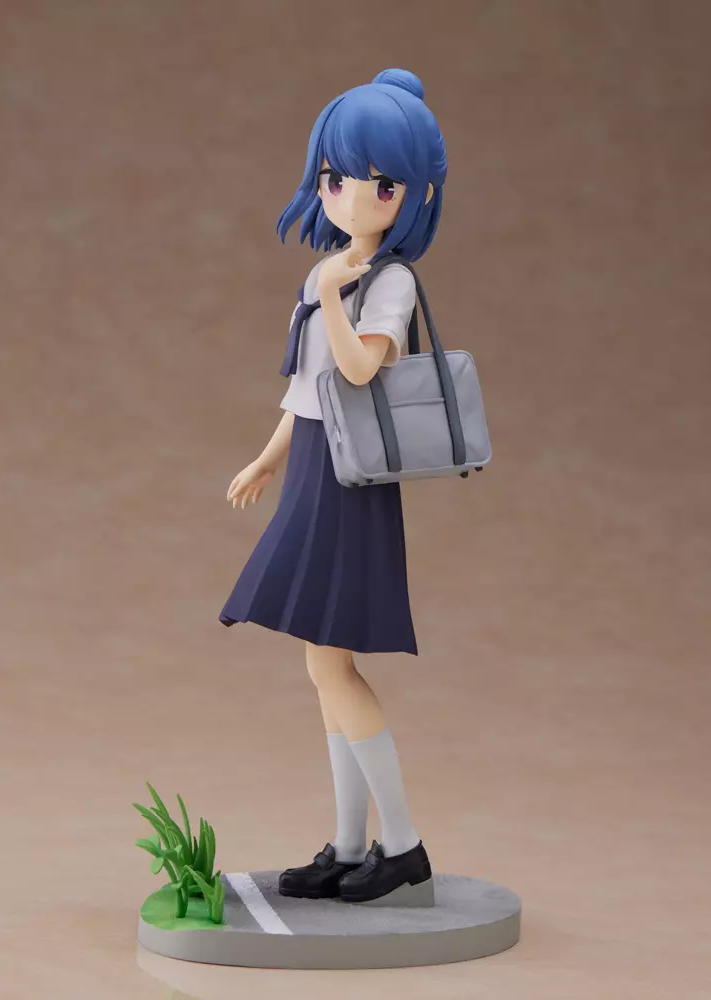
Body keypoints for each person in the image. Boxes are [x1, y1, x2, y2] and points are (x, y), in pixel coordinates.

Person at [218, 68, 447, 905]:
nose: (353, 198)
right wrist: (267, 459)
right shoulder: (326, 274)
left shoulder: (391, 281)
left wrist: (330, 295)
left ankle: (403, 843)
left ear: (414, 195)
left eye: (381, 185)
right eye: (336, 178)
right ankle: (351, 844)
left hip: (353, 482)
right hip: (313, 468)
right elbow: (306, 391)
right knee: (323, 666)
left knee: (330, 662)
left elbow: (357, 372)